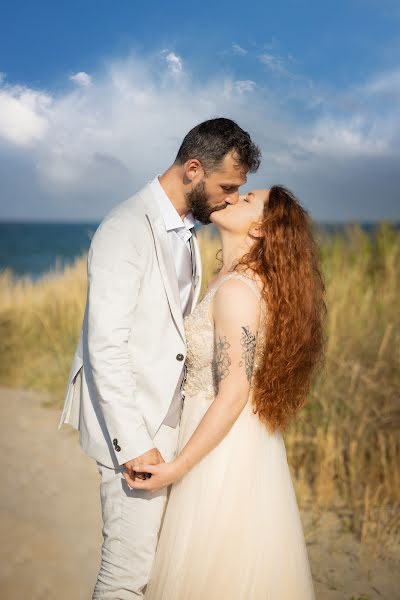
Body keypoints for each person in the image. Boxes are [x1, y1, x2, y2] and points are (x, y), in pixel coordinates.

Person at [58, 117, 261, 599]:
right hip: (133, 432)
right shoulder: (125, 228)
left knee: (157, 567)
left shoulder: (189, 234)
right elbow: (104, 346)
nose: (232, 198)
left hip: (175, 426)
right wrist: (133, 445)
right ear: (194, 169)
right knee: (127, 573)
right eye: (227, 186)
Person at [130, 186, 325, 599]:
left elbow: (235, 390)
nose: (233, 197)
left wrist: (178, 467)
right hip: (220, 433)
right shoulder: (227, 278)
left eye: (248, 199)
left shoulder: (238, 290)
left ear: (259, 230)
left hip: (223, 450)